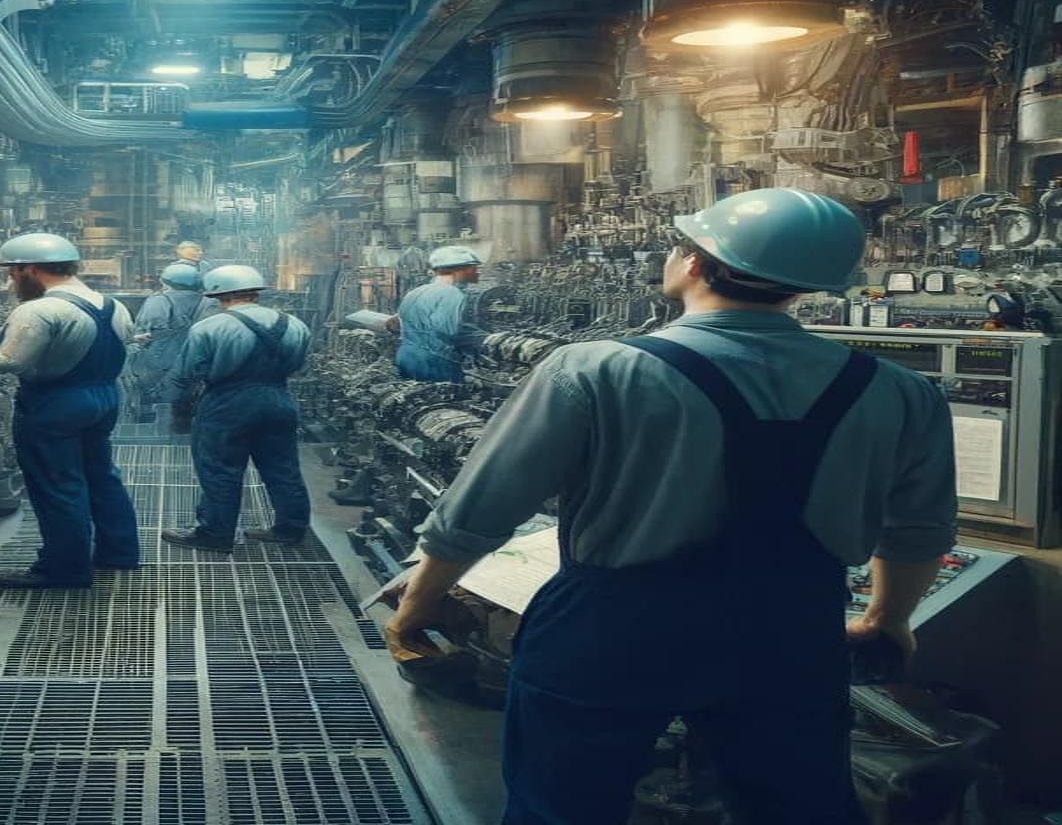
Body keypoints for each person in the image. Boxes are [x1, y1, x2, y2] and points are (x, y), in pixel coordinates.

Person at [380, 188, 958, 824]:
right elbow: (918, 531)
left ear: (692, 264)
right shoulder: (899, 391)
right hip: (790, 629)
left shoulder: (593, 370)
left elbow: (479, 511)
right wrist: (887, 617)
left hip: (612, 628)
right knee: (798, 806)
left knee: (563, 807)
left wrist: (420, 602)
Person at [0, 232, 140, 588]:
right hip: (104, 398)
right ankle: (120, 552)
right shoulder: (112, 305)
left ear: (30, 270)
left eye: (12, 273)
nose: (10, 281)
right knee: (101, 475)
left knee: (58, 485)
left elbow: (9, 362)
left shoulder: (39, 310)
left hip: (55, 403)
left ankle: (64, 568)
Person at [160, 265, 313, 553]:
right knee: (283, 469)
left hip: (226, 404)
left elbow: (186, 373)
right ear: (256, 292)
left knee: (220, 469)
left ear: (218, 294)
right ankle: (290, 529)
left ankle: (216, 533)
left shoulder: (210, 327)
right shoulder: (294, 324)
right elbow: (298, 365)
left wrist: (177, 406)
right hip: (279, 399)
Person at [387, 245, 486, 382]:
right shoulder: (451, 293)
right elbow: (449, 331)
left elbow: (396, 324)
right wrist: (486, 339)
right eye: (473, 268)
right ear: (457, 270)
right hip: (434, 361)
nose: (477, 273)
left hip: (406, 356)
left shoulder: (417, 291)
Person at [131, 263, 219, 406]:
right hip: (198, 361)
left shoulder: (159, 300)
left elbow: (144, 332)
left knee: (158, 403)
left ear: (165, 281)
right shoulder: (211, 301)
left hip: (161, 362)